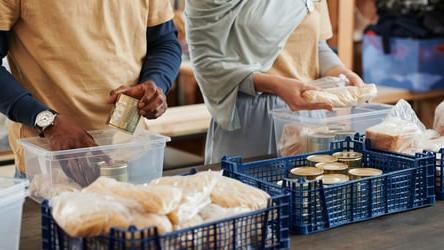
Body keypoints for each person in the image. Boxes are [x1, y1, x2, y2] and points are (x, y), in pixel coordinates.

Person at [0, 0, 181, 176]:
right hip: (50, 162)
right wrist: (48, 122)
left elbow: (164, 42)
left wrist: (156, 82)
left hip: (129, 149)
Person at [186, 0, 366, 164]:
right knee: (249, 196)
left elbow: (316, 44)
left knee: (309, 194)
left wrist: (340, 71)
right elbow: (207, 64)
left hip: (309, 117)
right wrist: (275, 85)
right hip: (251, 117)